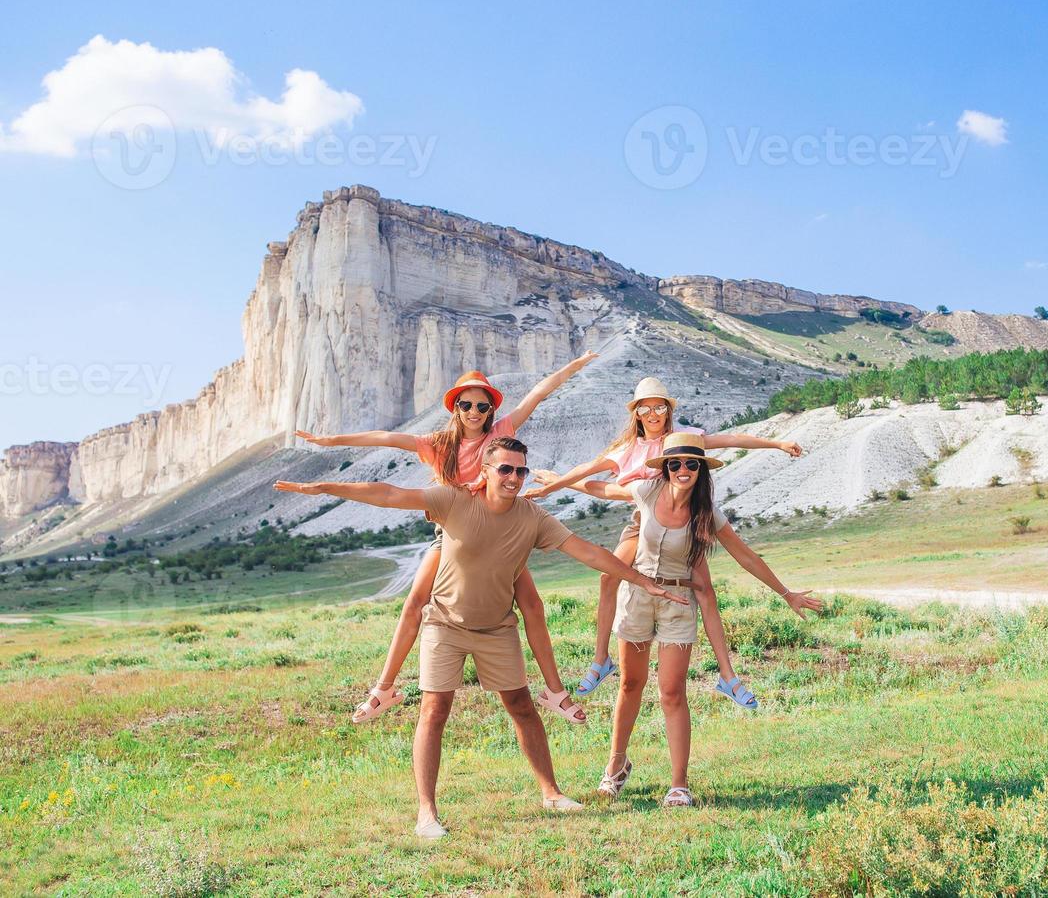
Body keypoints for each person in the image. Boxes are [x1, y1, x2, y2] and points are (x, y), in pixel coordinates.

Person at [275, 437, 688, 837]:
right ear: (487, 470)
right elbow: (387, 494)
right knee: (434, 711)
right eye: (505, 469)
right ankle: (426, 812)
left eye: (521, 470)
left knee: (522, 707)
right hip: (445, 625)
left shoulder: (533, 517)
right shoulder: (453, 500)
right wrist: (324, 487)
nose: (514, 477)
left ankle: (551, 793)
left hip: (497, 629)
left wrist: (639, 580)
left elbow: (585, 550)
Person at [295, 354, 596, 725]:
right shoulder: (439, 443)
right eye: (467, 405)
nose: (474, 412)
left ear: (490, 410)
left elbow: (536, 395)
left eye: (481, 406)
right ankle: (383, 689)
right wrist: (331, 441)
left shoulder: (501, 434)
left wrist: (573, 366)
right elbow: (387, 438)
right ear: (456, 408)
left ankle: (555, 693)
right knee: (416, 602)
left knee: (533, 607)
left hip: (500, 537)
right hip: (456, 537)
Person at [573, 432, 822, 807]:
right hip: (639, 595)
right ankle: (616, 766)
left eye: (692, 463)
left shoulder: (708, 513)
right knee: (630, 684)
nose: (683, 469)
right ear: (666, 467)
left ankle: (679, 784)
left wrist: (786, 593)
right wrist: (556, 481)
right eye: (675, 463)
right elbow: (601, 489)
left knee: (672, 692)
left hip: (678, 602)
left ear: (702, 469)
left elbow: (747, 557)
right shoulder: (645, 492)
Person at [525, 376, 802, 709]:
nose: (654, 413)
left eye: (660, 406)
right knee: (607, 576)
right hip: (643, 524)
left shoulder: (681, 440)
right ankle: (601, 661)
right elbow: (595, 475)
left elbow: (730, 438)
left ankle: (728, 677)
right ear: (637, 413)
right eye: (646, 407)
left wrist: (778, 444)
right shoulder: (629, 450)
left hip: (687, 521)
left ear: (668, 410)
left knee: (705, 592)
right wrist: (553, 486)